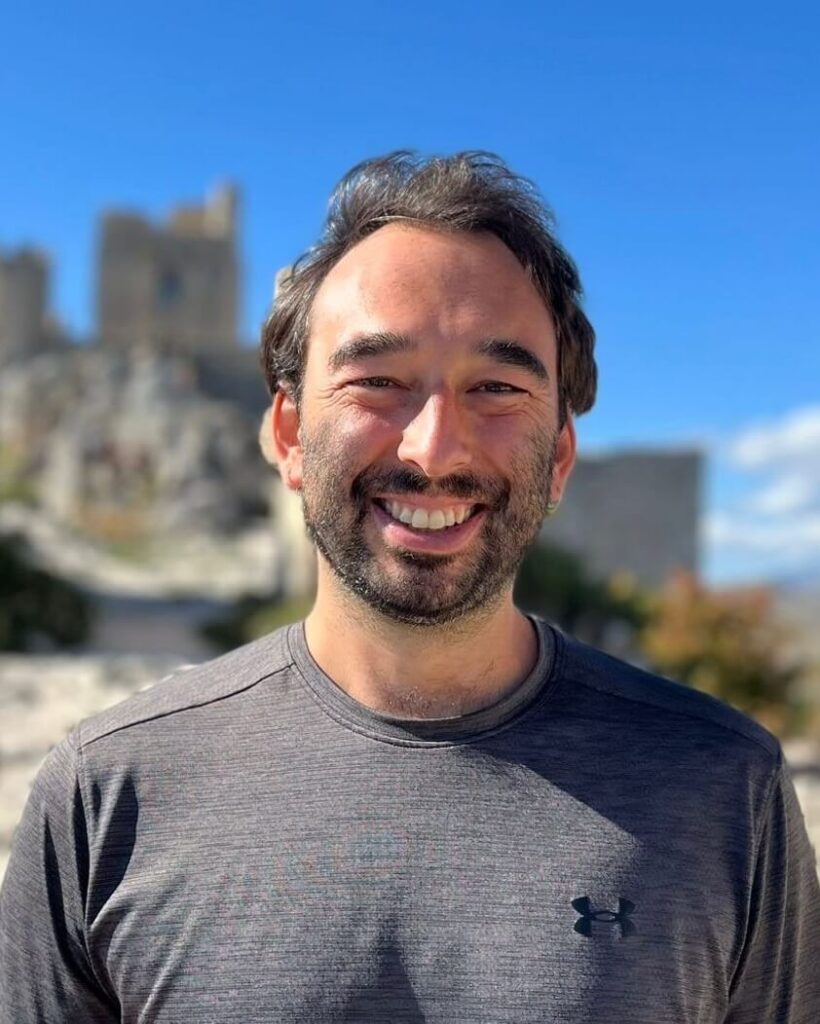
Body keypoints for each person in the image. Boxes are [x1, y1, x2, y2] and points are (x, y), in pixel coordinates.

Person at [1, 152, 818, 1023]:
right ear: (286, 433)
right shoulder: (105, 794)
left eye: (497, 387)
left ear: (561, 460)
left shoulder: (724, 792)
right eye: (377, 382)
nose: (434, 449)